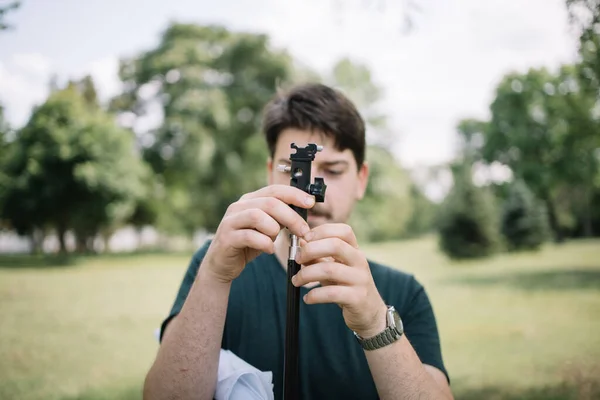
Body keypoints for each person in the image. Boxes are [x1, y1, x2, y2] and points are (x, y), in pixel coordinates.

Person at [143, 83, 453, 400]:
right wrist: (214, 275)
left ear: (361, 179)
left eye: (332, 170)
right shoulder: (218, 264)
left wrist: (376, 322)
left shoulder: (403, 292)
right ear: (270, 173)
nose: (310, 194)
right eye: (293, 170)